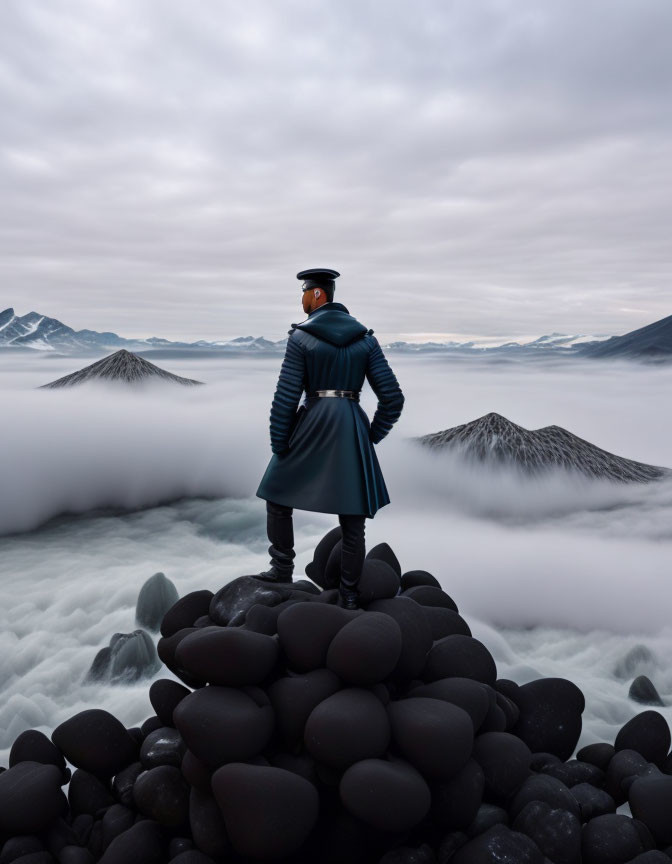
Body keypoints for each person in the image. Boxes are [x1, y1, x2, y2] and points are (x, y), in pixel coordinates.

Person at [255, 268, 405, 609]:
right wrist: (370, 437)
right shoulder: (366, 340)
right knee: (353, 517)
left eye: (305, 293)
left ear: (318, 295)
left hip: (313, 418)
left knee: (277, 494)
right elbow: (393, 398)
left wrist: (281, 443)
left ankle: (281, 569)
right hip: (352, 422)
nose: (303, 299)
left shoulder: (301, 338)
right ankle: (350, 595)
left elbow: (286, 397)